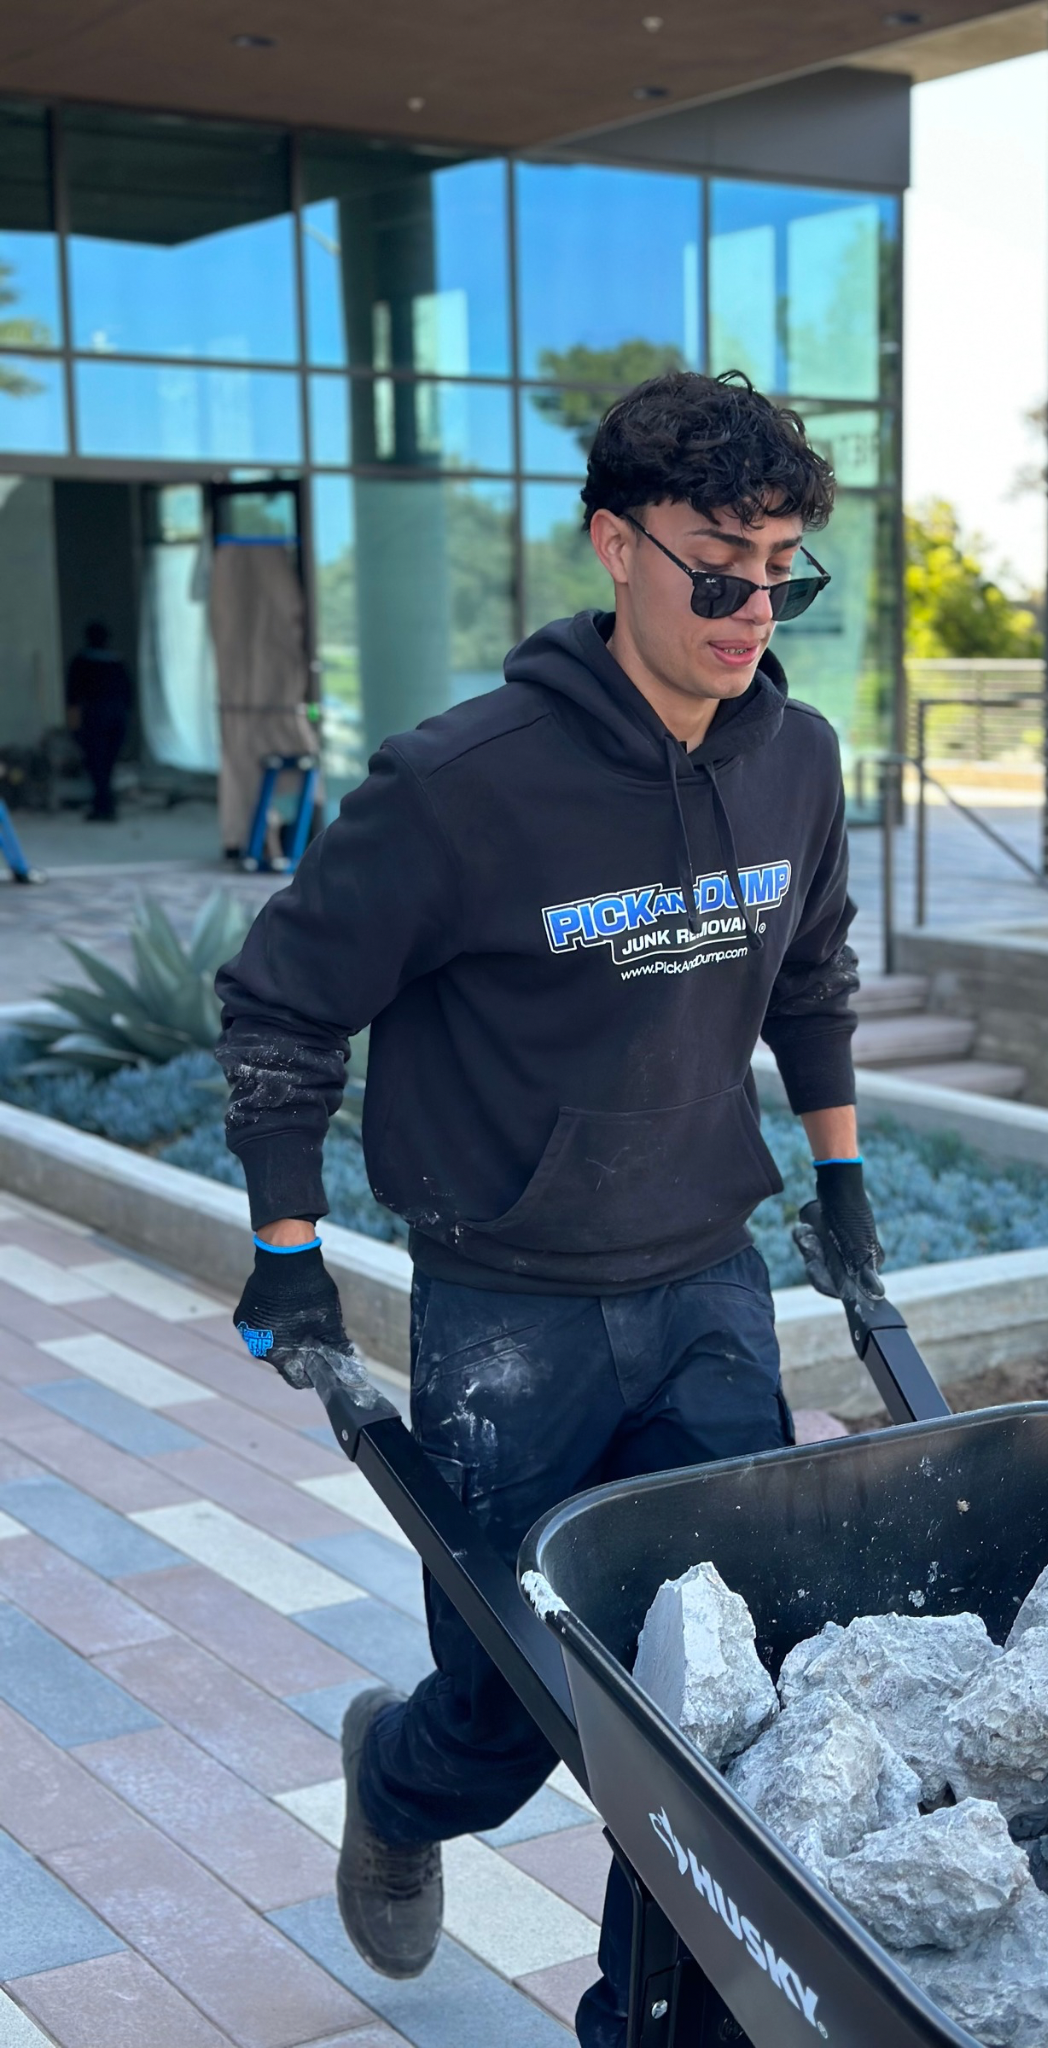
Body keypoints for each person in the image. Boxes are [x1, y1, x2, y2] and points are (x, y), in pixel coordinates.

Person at [214, 369, 884, 2045]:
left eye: (782, 571)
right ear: (612, 543)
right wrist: (288, 1250)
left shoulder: (795, 759)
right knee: (518, 1711)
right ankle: (403, 1769)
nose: (750, 608)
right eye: (716, 568)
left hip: (707, 1288)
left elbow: (812, 975)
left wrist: (846, 1179)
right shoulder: (464, 782)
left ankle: (643, 2023)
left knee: (704, 1705)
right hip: (508, 1308)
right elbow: (282, 1003)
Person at [66, 620, 132, 822]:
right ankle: (104, 805)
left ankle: (103, 806)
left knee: (96, 764)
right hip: (117, 717)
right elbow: (129, 695)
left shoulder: (81, 662)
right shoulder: (117, 663)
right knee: (108, 765)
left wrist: (74, 726)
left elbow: (72, 696)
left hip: (94, 717)